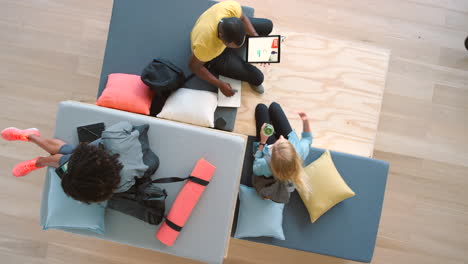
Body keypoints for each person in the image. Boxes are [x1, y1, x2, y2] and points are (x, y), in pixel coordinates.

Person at [1, 127, 122, 203]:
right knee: (68, 158)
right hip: (111, 147)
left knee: (70, 153)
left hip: (106, 154)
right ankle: (39, 160)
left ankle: (31, 137)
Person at [189, 0, 273, 96]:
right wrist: (220, 84)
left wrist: (255, 36)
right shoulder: (205, 46)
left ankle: (243, 36)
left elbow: (243, 18)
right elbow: (194, 66)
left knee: (268, 25)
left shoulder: (231, 7)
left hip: (224, 28)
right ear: (221, 38)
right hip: (214, 55)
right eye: (234, 46)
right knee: (258, 77)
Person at [252, 102, 312, 202]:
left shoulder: (264, 165)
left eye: (278, 141)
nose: (280, 136)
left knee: (261, 108)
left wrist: (262, 142)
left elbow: (255, 165)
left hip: (265, 146)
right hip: (280, 157)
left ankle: (269, 138)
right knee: (274, 106)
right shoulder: (300, 150)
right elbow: (307, 138)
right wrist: (305, 120)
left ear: (271, 153)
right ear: (292, 150)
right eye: (283, 140)